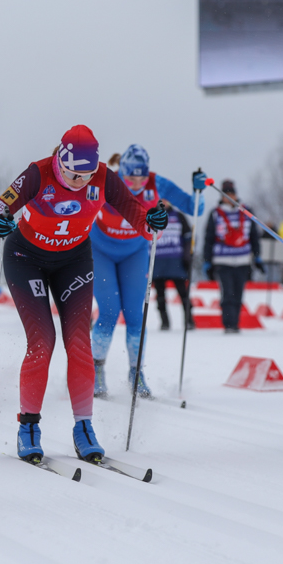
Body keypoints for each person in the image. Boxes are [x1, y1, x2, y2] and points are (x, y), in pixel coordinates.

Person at [0, 125, 166, 465]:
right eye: (72, 174)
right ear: (60, 162)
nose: (80, 181)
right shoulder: (39, 173)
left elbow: (136, 214)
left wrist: (151, 220)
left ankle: (84, 427)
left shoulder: (103, 177)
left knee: (78, 341)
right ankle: (29, 427)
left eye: (87, 174)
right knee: (43, 342)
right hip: (26, 259)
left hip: (74, 260)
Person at [90, 145, 199, 398]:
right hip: (101, 251)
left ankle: (135, 372)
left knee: (134, 314)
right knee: (109, 311)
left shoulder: (157, 183)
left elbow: (195, 209)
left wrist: (199, 191)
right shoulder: (107, 181)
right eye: (130, 176)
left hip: (135, 253)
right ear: (122, 170)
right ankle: (96, 370)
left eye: (141, 176)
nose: (136, 182)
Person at [203, 180, 261, 333]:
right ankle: (228, 324)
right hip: (223, 261)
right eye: (225, 194)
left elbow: (254, 236)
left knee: (238, 294)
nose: (229, 197)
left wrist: (257, 256)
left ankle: (235, 324)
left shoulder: (246, 211)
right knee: (227, 293)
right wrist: (207, 261)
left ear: (235, 195)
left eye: (231, 194)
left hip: (242, 260)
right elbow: (208, 239)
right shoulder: (215, 213)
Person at [152, 199, 195, 333]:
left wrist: (188, 257)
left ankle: (189, 321)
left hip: (176, 262)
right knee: (160, 295)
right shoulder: (150, 215)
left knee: (183, 294)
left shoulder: (178, 216)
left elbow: (188, 238)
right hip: (157, 262)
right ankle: (164, 322)